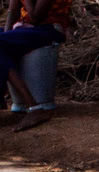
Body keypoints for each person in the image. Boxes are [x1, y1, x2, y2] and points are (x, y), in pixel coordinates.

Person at [0, 0, 68, 131]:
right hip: (24, 28)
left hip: (49, 28)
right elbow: (12, 13)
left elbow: (36, 17)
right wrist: (6, 38)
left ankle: (35, 107)